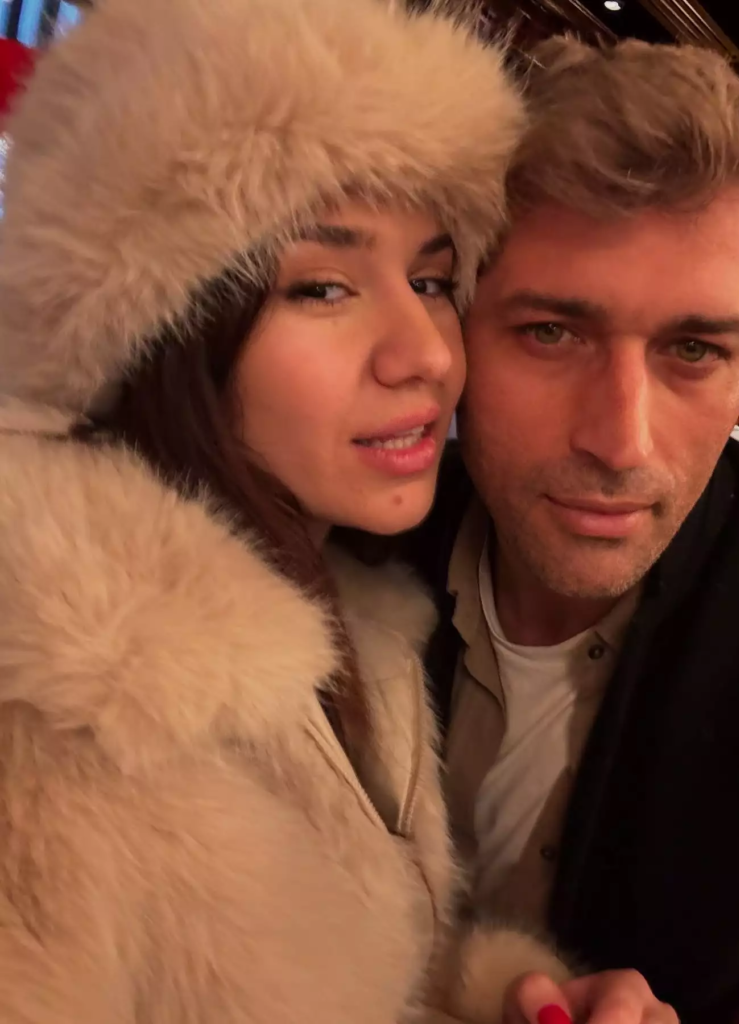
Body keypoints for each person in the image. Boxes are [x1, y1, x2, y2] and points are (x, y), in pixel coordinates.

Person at [0, 0, 588, 1020]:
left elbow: (366, 962)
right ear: (153, 328)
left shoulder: (354, 624)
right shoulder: (59, 714)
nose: (427, 352)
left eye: (432, 279)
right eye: (321, 288)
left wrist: (509, 1002)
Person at [398, 35, 739, 1024]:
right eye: (551, 332)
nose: (621, 442)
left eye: (693, 349)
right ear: (458, 321)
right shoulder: (333, 549)